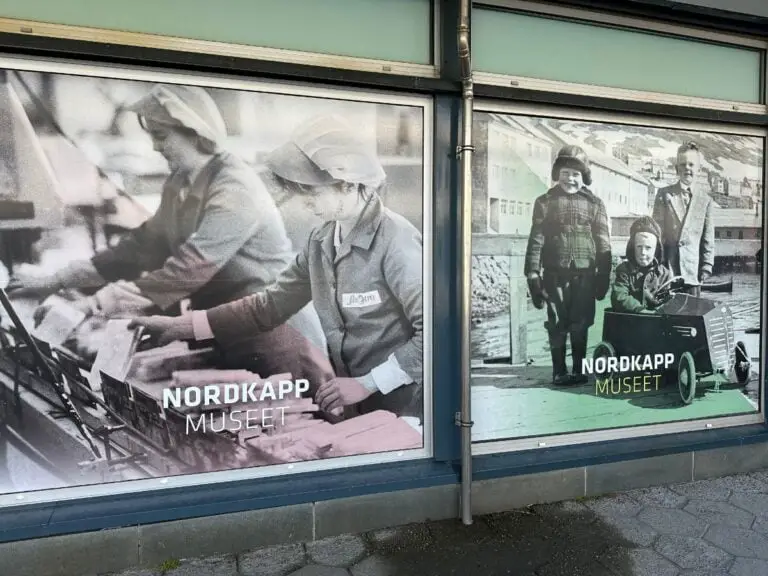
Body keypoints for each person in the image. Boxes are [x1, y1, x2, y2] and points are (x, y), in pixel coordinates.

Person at [8, 83, 328, 384]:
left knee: (298, 416)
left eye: (161, 136)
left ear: (194, 132)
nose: (154, 146)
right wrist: (57, 280)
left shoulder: (235, 188)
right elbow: (141, 247)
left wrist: (95, 304)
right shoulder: (180, 183)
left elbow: (189, 269)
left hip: (276, 333)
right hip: (222, 329)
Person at [130, 115, 424, 421]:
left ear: (347, 184)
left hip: (408, 410)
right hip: (357, 405)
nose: (305, 203)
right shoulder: (322, 241)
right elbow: (268, 306)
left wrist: (369, 383)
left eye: (311, 192)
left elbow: (433, 334)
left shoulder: (396, 242)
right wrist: (183, 326)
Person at [525, 145, 611, 386]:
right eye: (565, 173)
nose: (570, 179)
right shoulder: (545, 202)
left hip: (585, 276)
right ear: (557, 174)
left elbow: (603, 241)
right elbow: (536, 239)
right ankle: (559, 371)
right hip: (554, 275)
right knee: (556, 322)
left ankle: (579, 369)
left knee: (581, 322)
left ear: (584, 176)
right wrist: (533, 274)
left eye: (576, 174)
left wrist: (604, 274)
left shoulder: (595, 204)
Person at [652, 141, 714, 296]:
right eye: (682, 164)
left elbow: (708, 237)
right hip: (668, 270)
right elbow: (656, 232)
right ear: (676, 168)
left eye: (691, 164)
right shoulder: (664, 195)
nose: (687, 168)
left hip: (693, 271)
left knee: (693, 309)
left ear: (699, 169)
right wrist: (658, 263)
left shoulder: (705, 200)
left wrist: (706, 265)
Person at [611, 216, 673, 314]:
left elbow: (667, 302)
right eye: (639, 247)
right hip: (630, 320)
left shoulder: (665, 274)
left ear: (656, 249)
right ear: (633, 247)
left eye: (648, 248)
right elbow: (619, 296)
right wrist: (640, 310)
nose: (643, 252)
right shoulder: (624, 270)